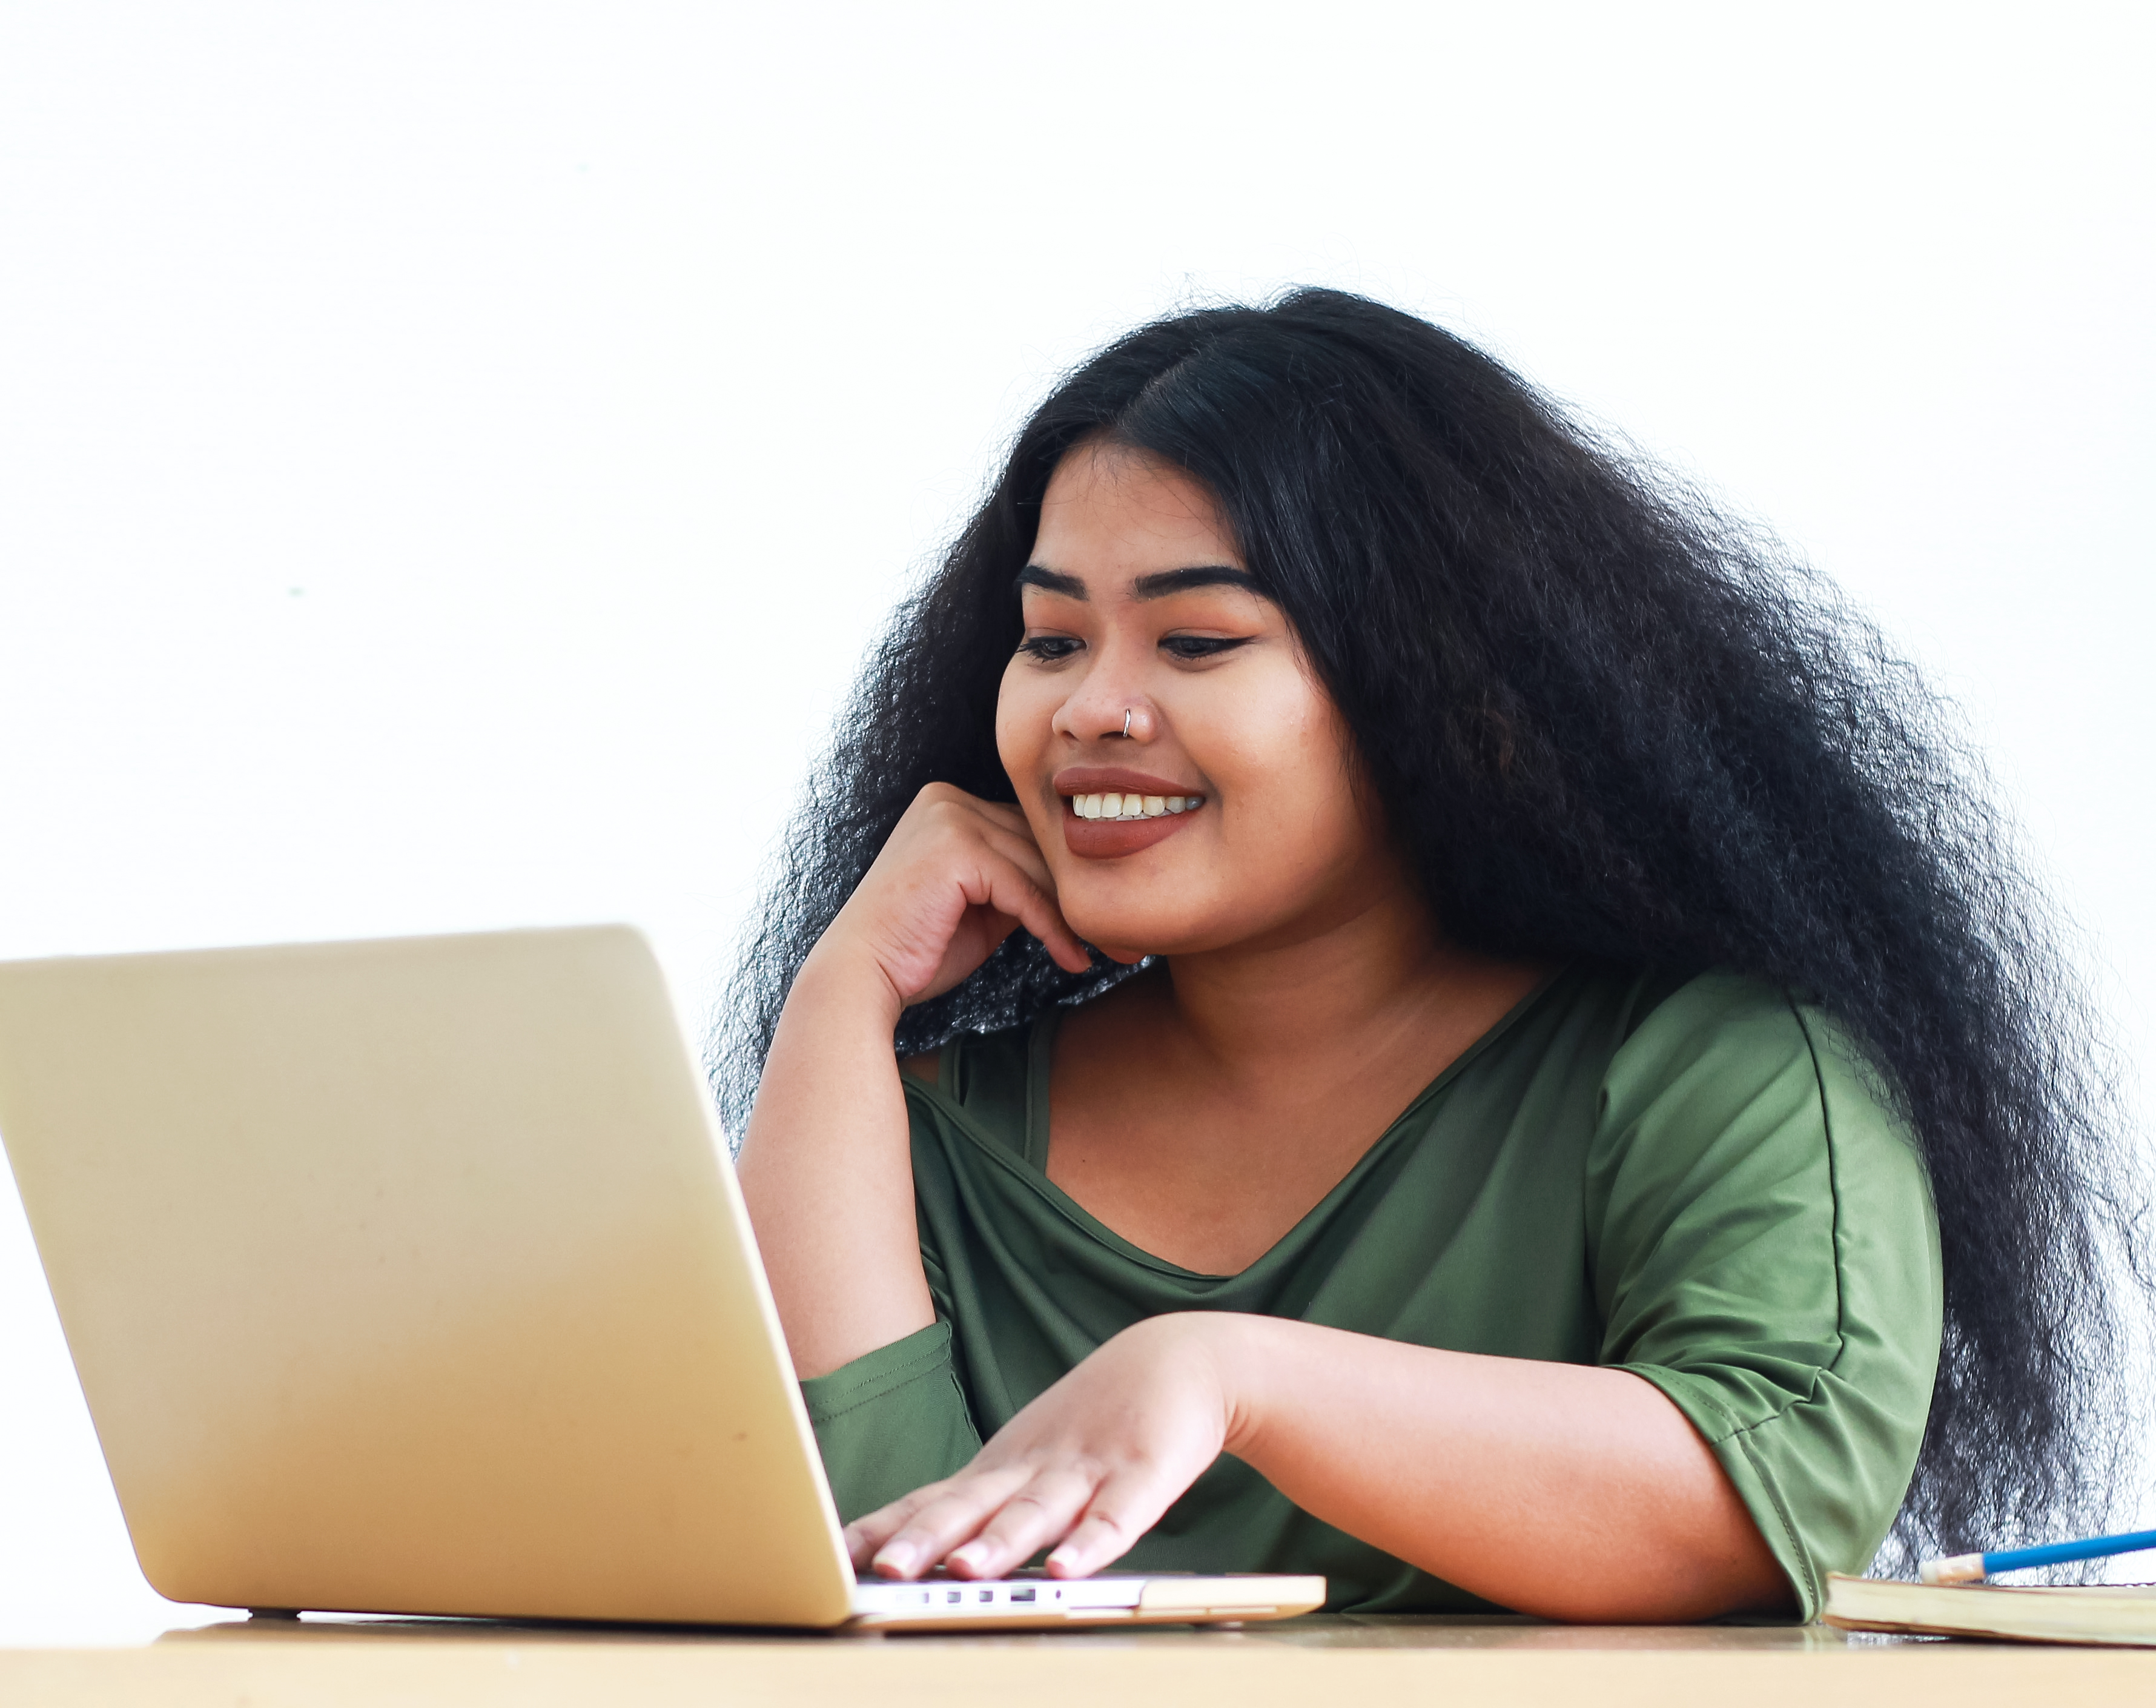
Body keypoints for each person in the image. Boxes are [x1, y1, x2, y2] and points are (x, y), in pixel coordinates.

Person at [718, 289, 2143, 1622]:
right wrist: (840, 997)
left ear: (1448, 695)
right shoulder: (911, 1132)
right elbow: (886, 1562)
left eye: (1196, 639)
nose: (1093, 708)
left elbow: (1783, 1488)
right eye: (1050, 639)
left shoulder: (1715, 1073)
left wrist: (1237, 1377)